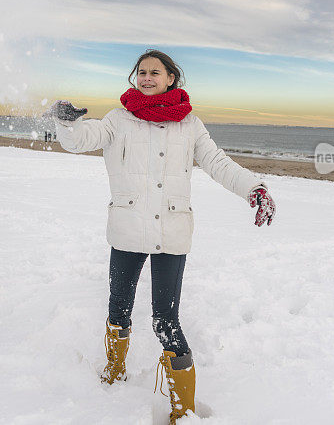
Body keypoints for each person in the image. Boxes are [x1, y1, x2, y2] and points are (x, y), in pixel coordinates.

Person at [50, 49, 276, 423]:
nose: (147, 78)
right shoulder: (118, 119)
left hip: (171, 231)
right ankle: (114, 368)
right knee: (118, 307)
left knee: (165, 319)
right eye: (141, 72)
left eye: (155, 72)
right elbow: (79, 139)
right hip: (127, 230)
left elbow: (217, 162)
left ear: (172, 78)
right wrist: (65, 123)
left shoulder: (190, 124)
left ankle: (182, 410)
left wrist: (254, 187)